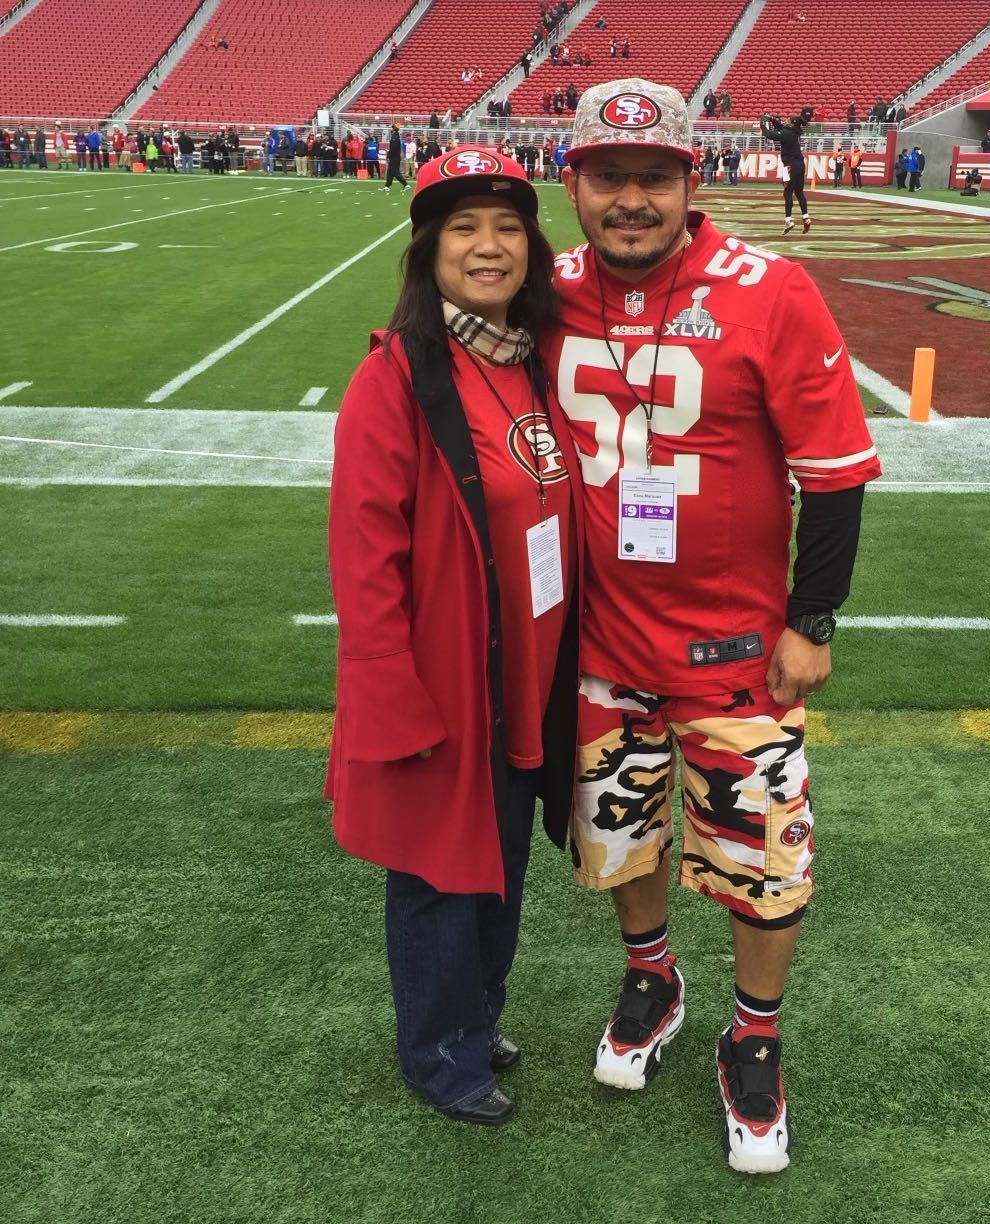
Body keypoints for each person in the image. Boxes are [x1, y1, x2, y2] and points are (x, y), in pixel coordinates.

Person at [544, 76, 881, 1176]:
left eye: (652, 178)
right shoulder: (543, 295)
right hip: (596, 644)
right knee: (619, 837)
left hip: (737, 654)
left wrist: (812, 619)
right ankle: (654, 975)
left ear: (693, 179)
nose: (629, 199)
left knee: (761, 859)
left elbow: (834, 475)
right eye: (608, 177)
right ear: (576, 183)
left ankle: (756, 1033)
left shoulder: (771, 290)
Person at [326, 147, 582, 1128]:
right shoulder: (394, 378)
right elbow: (365, 558)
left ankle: (475, 1017)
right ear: (429, 250)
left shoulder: (531, 363)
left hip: (525, 680)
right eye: (465, 229)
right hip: (442, 689)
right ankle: (441, 1057)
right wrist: (395, 701)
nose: (489, 247)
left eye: (508, 227)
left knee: (501, 867)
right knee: (439, 880)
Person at [760, 112, 810, 233]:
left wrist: (762, 125)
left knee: (787, 193)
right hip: (800, 164)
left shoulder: (787, 133)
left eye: (788, 120)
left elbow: (770, 134)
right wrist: (772, 119)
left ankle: (788, 220)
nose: (785, 121)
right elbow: (781, 128)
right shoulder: (795, 132)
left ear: (792, 124)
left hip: (790, 165)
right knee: (799, 192)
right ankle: (806, 218)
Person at [382, 123, 409, 192]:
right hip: (395, 157)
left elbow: (393, 150)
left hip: (394, 158)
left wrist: (389, 154)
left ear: (393, 129)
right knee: (390, 172)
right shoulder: (396, 136)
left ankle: (406, 184)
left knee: (395, 172)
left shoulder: (394, 137)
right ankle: (387, 186)